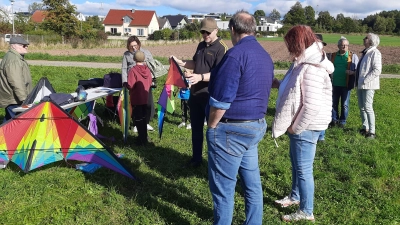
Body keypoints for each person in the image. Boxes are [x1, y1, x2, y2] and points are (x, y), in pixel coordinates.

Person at [206, 10, 274, 224]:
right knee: (252, 185)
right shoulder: (265, 55)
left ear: (233, 30)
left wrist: (212, 126)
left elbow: (221, 100)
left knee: (224, 190)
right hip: (255, 126)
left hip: (231, 130)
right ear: (253, 29)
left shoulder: (235, 55)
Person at [272, 25, 334, 223]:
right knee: (297, 166)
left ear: (299, 43)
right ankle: (295, 196)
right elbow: (295, 89)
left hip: (305, 127)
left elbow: (311, 105)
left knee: (304, 170)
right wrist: (279, 83)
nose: (289, 49)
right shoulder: (304, 62)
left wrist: (295, 127)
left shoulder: (311, 67)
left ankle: (307, 211)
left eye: (291, 44)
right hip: (302, 126)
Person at [171, 17, 228, 168]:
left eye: (208, 32)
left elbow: (220, 73)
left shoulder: (222, 48)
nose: (205, 35)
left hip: (211, 96)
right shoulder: (201, 45)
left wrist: (200, 77)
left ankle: (215, 164)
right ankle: (196, 159)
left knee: (213, 132)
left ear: (216, 30)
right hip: (195, 94)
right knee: (196, 129)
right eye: (203, 32)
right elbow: (195, 63)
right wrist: (181, 63)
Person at [122, 36, 155, 132]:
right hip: (133, 82)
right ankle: (136, 123)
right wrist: (125, 81)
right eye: (131, 46)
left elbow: (152, 64)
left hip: (145, 81)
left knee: (148, 103)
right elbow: (124, 68)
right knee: (136, 104)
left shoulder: (146, 52)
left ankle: (146, 122)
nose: (134, 48)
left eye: (135, 45)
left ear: (139, 44)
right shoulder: (126, 55)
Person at [0, 36, 33, 123]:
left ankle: (3, 135)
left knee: (9, 122)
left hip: (14, 98)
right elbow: (16, 81)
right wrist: (24, 100)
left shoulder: (16, 57)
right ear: (13, 46)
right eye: (23, 45)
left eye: (27, 46)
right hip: (15, 99)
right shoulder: (13, 60)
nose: (26, 47)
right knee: (18, 124)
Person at [355, 33, 381, 139]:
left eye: (366, 38)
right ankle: (365, 127)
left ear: (371, 41)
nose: (364, 39)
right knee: (362, 107)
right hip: (361, 84)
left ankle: (372, 132)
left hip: (368, 85)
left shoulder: (375, 52)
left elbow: (377, 70)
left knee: (368, 107)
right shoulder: (365, 52)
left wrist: (365, 80)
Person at [330, 36, 359, 128]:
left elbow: (357, 70)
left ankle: (342, 121)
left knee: (344, 105)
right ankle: (334, 120)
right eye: (342, 45)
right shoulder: (333, 56)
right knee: (333, 103)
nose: (344, 47)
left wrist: (352, 72)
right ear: (338, 46)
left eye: (346, 45)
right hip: (334, 84)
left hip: (346, 84)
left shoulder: (352, 56)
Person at [126, 51, 152, 145]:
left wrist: (126, 85)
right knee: (144, 118)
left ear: (134, 59)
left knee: (137, 118)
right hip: (145, 97)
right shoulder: (147, 70)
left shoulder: (133, 70)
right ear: (144, 59)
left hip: (136, 98)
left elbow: (130, 84)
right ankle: (144, 136)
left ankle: (141, 139)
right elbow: (150, 82)